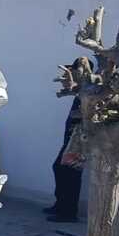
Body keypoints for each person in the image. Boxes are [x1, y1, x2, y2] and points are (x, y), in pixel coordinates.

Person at [45, 93, 83, 222]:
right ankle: (60, 206)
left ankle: (68, 213)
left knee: (71, 174)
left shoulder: (91, 92)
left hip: (79, 140)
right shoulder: (81, 93)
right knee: (59, 169)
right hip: (72, 139)